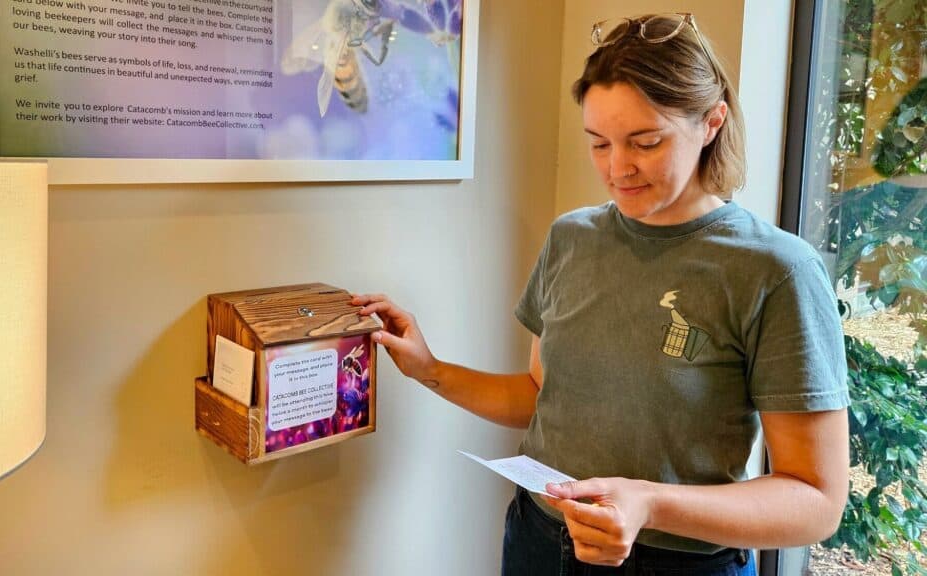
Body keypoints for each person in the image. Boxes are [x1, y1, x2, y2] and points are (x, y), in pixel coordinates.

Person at [352, 12, 850, 576]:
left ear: (711, 122)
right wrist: (430, 369)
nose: (618, 169)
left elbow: (815, 501)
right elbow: (544, 396)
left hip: (675, 564)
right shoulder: (572, 237)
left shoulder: (775, 271)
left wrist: (650, 504)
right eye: (598, 144)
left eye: (646, 142)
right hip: (539, 540)